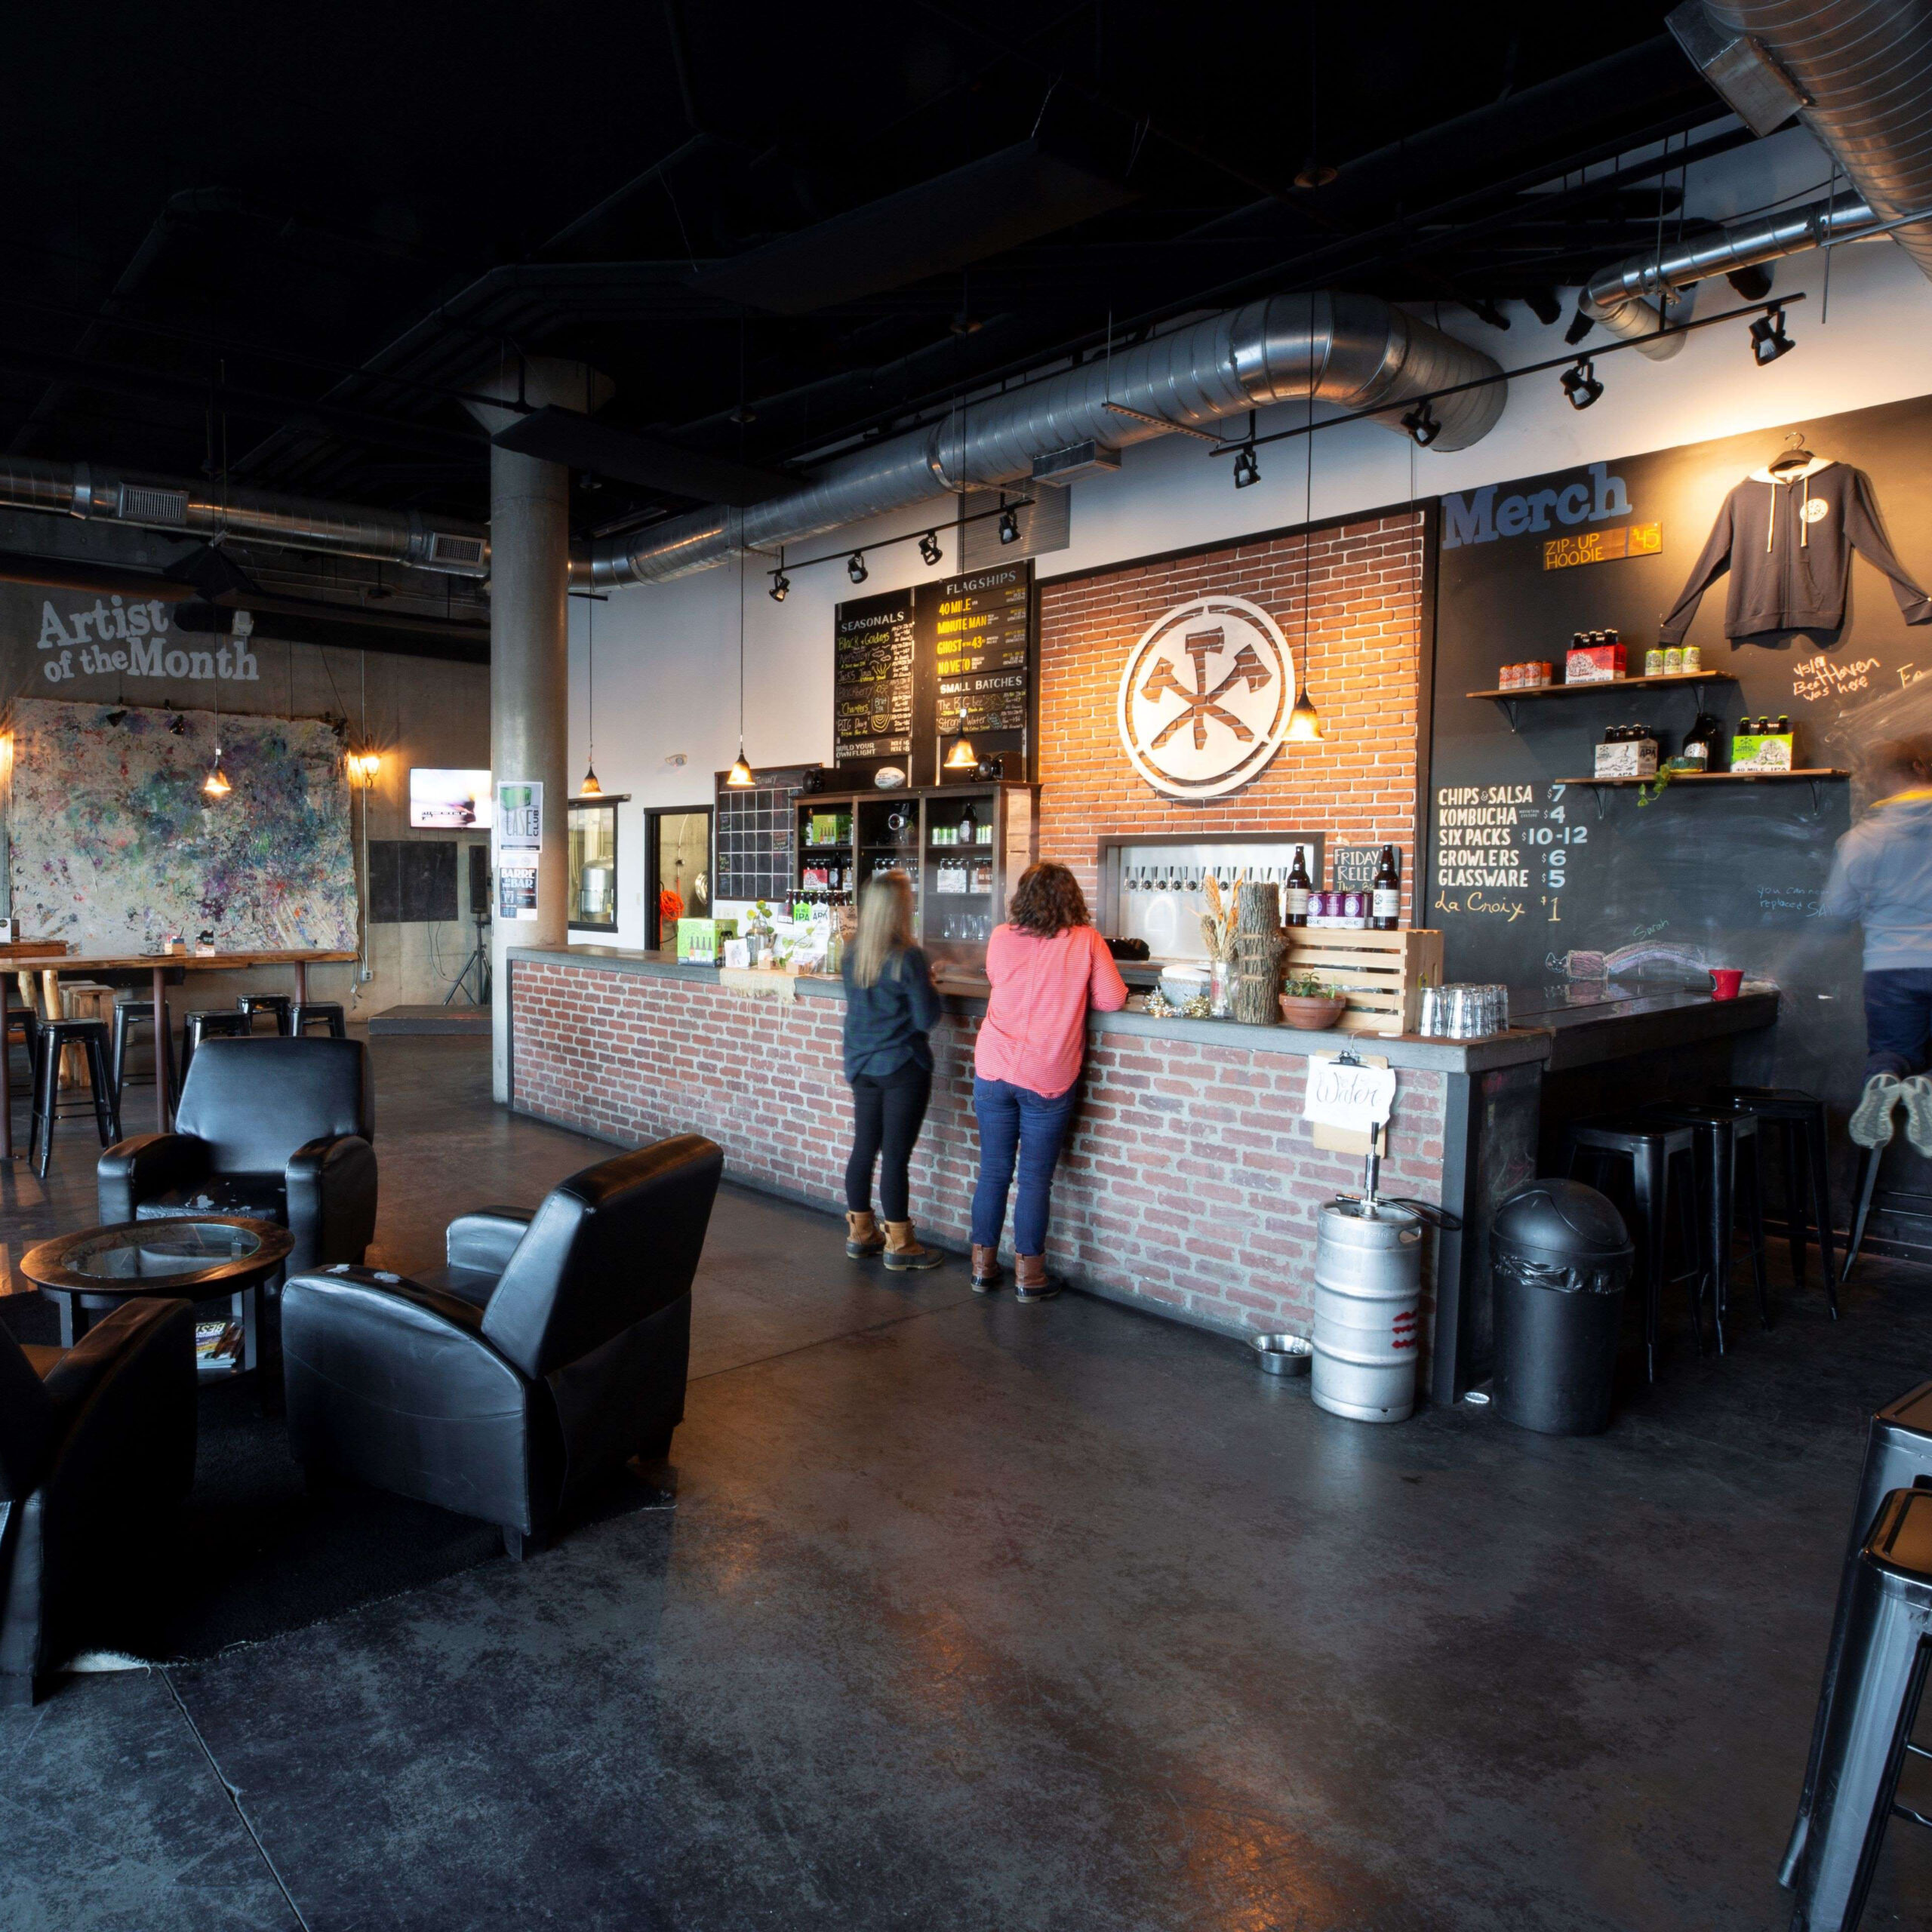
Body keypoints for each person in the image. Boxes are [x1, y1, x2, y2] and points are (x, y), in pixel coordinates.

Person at [970, 861, 1128, 1300]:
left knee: (994, 1172)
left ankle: (982, 1270)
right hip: (1047, 1074)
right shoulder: (1086, 940)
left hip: (995, 1066)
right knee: (1035, 1179)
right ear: (1072, 898)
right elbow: (1113, 999)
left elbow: (999, 980)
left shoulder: (1002, 937)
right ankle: (1030, 1277)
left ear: (1021, 897)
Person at [1821, 735, 1932, 1149]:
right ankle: (1925, 1086)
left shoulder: (1861, 839)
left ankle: (1885, 1078)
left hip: (1888, 967)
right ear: (1923, 767)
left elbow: (1837, 911)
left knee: (1892, 1049)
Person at [841, 871, 943, 1270]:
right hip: (902, 1066)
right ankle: (900, 1246)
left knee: (864, 1149)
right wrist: (930, 983)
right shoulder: (908, 957)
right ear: (901, 908)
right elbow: (926, 1018)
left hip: (862, 1065)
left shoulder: (853, 952)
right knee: (896, 1156)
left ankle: (861, 1235)